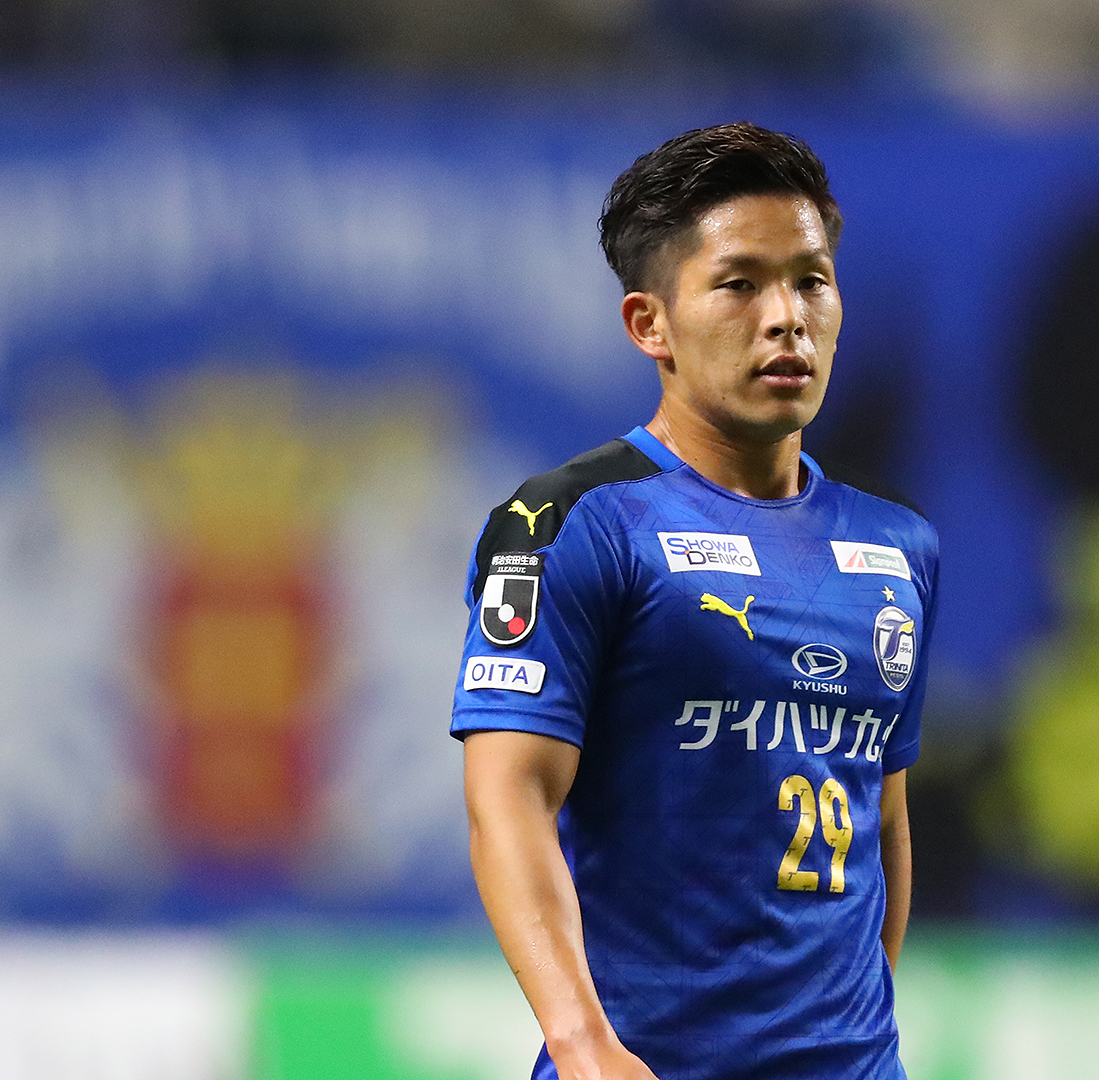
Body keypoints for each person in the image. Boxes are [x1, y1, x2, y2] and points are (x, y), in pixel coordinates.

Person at [451, 122, 939, 1080]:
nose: (787, 317)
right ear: (650, 324)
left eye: (811, 280)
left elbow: (880, 813)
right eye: (740, 284)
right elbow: (507, 796)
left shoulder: (899, 547)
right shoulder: (568, 524)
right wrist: (582, 1042)